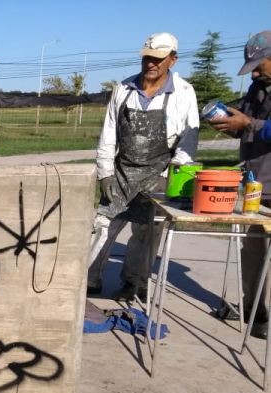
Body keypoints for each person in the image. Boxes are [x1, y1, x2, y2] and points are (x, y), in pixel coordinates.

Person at [88, 32, 200, 301]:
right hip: (122, 173)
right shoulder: (123, 90)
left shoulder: (183, 93)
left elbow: (188, 144)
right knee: (103, 225)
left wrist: (169, 178)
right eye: (147, 58)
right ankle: (90, 278)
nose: (150, 63)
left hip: (157, 176)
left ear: (172, 60)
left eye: (158, 59)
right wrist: (105, 174)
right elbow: (108, 136)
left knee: (146, 235)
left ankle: (133, 284)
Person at [210, 31, 271, 339]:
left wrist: (249, 125)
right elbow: (247, 125)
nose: (256, 72)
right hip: (257, 182)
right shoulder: (257, 87)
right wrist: (230, 124)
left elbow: (257, 126)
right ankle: (256, 312)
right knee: (254, 250)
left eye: (261, 65)